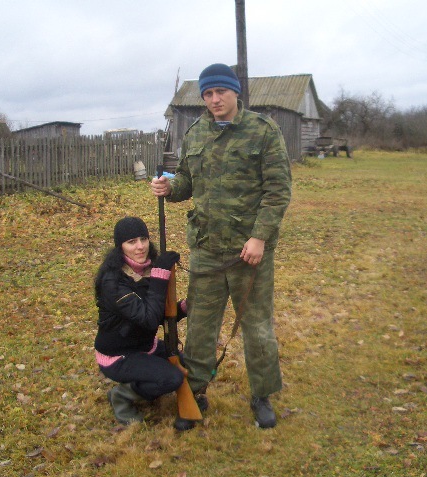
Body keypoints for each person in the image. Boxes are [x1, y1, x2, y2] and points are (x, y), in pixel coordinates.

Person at [151, 63, 292, 429]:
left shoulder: (263, 131)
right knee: (200, 326)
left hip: (250, 252)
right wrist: (170, 187)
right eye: (208, 94)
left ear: (235, 93)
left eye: (221, 92)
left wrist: (259, 237)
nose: (214, 99)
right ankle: (195, 392)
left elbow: (278, 190)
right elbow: (186, 180)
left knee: (257, 327)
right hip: (207, 249)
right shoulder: (196, 133)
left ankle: (262, 395)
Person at [93, 216, 185, 426]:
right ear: (120, 247)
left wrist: (183, 308)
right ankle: (122, 396)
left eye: (143, 239)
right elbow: (148, 319)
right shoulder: (113, 282)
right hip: (118, 355)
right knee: (172, 378)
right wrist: (160, 276)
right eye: (132, 242)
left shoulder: (146, 270)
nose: (140, 247)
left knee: (186, 363)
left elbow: (157, 311)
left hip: (145, 346)